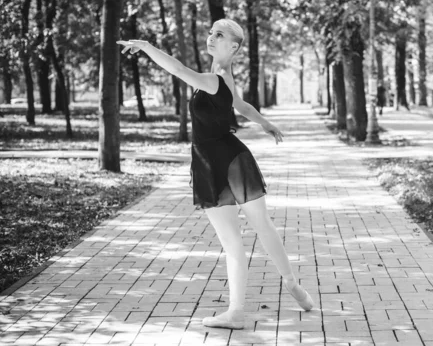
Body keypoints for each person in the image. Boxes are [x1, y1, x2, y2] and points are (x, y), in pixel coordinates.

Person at [117, 18, 314, 330]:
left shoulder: (212, 78)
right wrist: (265, 123)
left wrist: (146, 47)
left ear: (233, 47)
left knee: (242, 236)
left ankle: (242, 310)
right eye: (210, 33)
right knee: (253, 230)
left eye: (219, 35)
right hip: (217, 161)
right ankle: (288, 285)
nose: (211, 37)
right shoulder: (224, 76)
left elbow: (180, 70)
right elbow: (241, 106)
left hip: (225, 160)